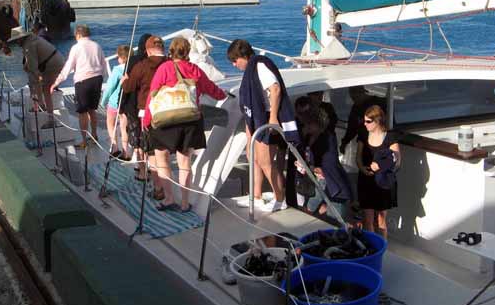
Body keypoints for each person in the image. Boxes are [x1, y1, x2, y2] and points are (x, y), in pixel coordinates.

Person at [145, 37, 227, 212]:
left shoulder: (164, 68)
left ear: (171, 51)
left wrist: (146, 120)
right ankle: (184, 202)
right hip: (190, 121)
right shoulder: (194, 69)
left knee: (162, 160)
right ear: (188, 52)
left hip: (165, 121)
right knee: (184, 163)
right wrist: (224, 94)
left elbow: (151, 96)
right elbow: (213, 91)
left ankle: (169, 199)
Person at [228, 39, 298, 213]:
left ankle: (280, 199)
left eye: (235, 61)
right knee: (255, 159)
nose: (234, 64)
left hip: (267, 119)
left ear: (243, 56)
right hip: (258, 120)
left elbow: (275, 89)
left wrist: (273, 117)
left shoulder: (260, 66)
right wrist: (249, 128)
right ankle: (256, 196)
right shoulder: (252, 69)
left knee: (266, 162)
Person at [293, 96, 351, 219]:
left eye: (309, 123)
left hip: (329, 185)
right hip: (317, 183)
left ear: (318, 124)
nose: (306, 125)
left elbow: (327, 167)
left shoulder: (327, 139)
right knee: (309, 211)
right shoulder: (308, 138)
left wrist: (308, 167)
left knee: (331, 219)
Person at [121, 35, 166, 196]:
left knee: (152, 152)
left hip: (146, 112)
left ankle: (158, 188)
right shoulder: (170, 64)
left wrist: (124, 81)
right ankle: (168, 190)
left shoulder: (141, 66)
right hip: (167, 111)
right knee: (164, 152)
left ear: (147, 50)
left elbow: (128, 87)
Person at [52, 24, 108, 148]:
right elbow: (104, 65)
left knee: (82, 112)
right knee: (92, 110)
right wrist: (101, 78)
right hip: (97, 80)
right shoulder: (97, 46)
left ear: (78, 35)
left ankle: (84, 140)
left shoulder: (76, 47)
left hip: (83, 81)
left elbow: (68, 66)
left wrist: (56, 82)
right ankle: (94, 135)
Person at [356, 104, 400, 238]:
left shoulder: (390, 137)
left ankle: (382, 249)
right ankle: (371, 248)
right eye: (364, 121)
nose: (365, 124)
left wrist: (381, 167)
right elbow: (358, 157)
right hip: (366, 180)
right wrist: (362, 168)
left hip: (383, 182)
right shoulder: (363, 135)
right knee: (367, 219)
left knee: (381, 220)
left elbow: (397, 162)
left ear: (378, 121)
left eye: (368, 121)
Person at [8, 28, 65, 119]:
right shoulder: (32, 39)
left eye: (16, 40)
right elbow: (31, 63)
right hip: (56, 62)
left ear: (20, 39)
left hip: (53, 65)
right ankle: (39, 106)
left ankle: (49, 116)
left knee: (45, 88)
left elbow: (33, 68)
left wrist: (36, 78)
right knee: (37, 82)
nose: (16, 43)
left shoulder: (29, 45)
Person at [100, 45, 130, 158]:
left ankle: (115, 147)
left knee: (110, 123)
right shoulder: (132, 68)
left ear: (121, 57)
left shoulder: (117, 70)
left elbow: (110, 88)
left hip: (114, 102)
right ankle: (126, 152)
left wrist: (103, 101)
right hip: (126, 103)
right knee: (124, 127)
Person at [340, 86, 387, 155]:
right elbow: (352, 128)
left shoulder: (379, 102)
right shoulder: (355, 108)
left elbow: (389, 120)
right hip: (364, 146)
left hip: (380, 142)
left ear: (362, 92)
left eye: (356, 97)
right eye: (352, 97)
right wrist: (344, 142)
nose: (354, 100)